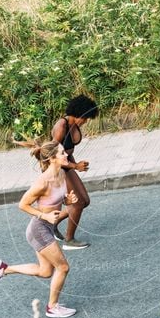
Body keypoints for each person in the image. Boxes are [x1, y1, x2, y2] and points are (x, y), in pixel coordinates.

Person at [0, 140, 79, 318]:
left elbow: (58, 200)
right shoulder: (42, 182)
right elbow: (22, 204)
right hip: (39, 229)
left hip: (45, 228)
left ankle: (4, 269)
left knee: (45, 271)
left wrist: (68, 201)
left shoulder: (60, 174)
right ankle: (52, 307)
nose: (66, 154)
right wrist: (44, 216)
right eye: (61, 153)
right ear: (52, 159)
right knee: (63, 267)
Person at [51, 95, 99, 249]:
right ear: (77, 113)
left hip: (67, 165)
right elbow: (52, 156)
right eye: (85, 118)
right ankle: (69, 241)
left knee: (85, 201)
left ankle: (51, 222)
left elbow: (67, 151)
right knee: (77, 203)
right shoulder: (61, 127)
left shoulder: (74, 125)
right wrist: (75, 166)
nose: (85, 122)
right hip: (56, 168)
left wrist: (74, 164)